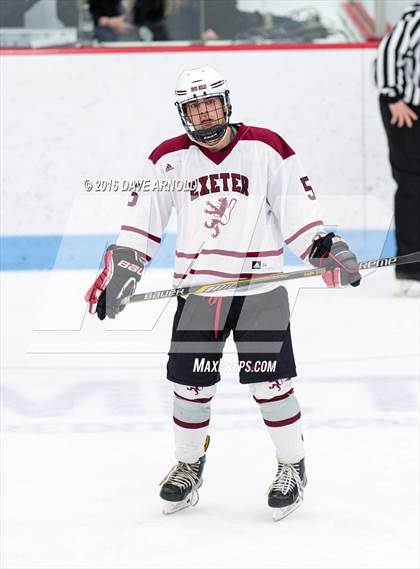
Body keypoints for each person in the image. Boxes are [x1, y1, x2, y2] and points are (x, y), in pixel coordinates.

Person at [85, 66, 361, 520]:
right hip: (199, 293)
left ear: (226, 102)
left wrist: (324, 250)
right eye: (195, 106)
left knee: (270, 385)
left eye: (211, 102)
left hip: (261, 290)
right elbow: (141, 226)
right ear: (183, 112)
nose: (205, 112)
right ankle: (189, 466)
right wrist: (123, 271)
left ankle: (293, 466)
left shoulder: (267, 147)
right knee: (190, 387)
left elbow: (299, 214)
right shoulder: (168, 158)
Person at [375, 3, 420, 296]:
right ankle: (410, 268)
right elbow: (386, 55)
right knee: (412, 185)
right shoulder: (416, 18)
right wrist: (393, 98)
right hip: (407, 110)